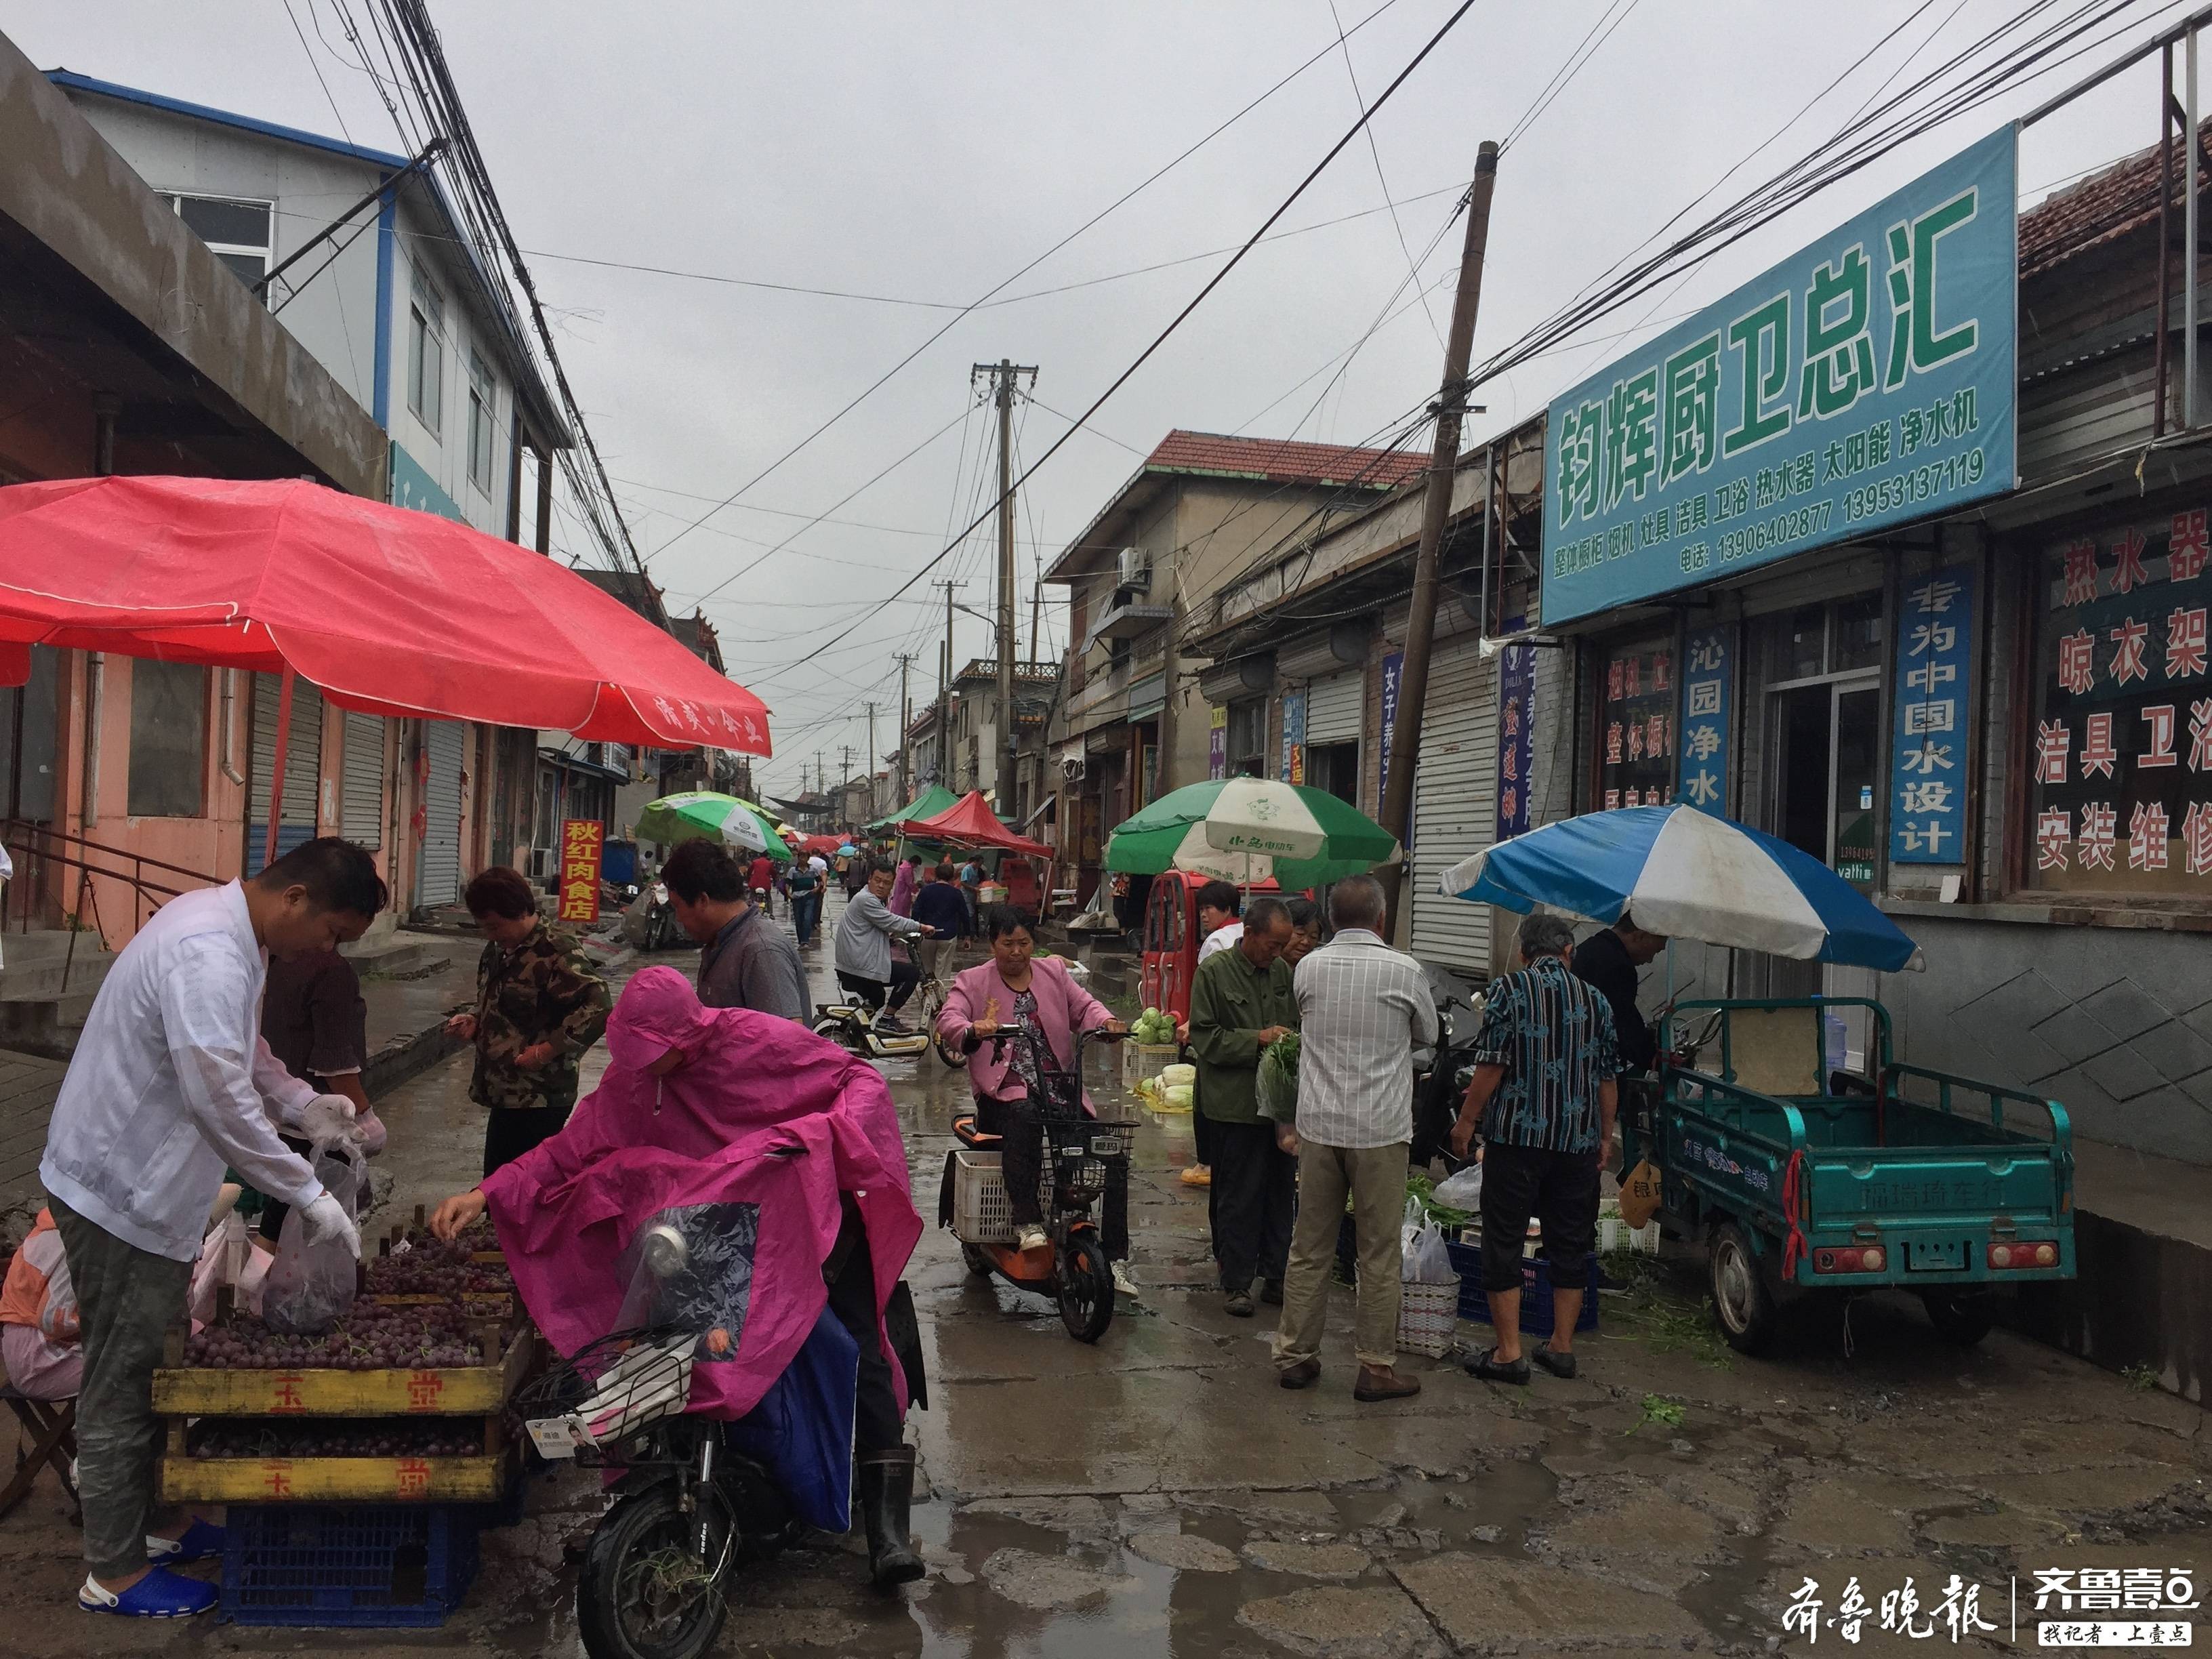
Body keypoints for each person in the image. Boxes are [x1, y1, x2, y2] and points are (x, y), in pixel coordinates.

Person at [428, 969, 927, 1588]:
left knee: (856, 1347)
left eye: (657, 1054)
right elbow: (572, 1148)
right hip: (712, 1234)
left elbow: (862, 1082)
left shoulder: (764, 1041)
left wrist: (817, 1134)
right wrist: (485, 1193)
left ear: (688, 1030)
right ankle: (658, 1490)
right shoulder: (637, 1078)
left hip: (812, 1224)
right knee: (652, 1352)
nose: (648, 1068)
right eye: (636, 1056)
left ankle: (887, 1531)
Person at [41, 837, 379, 1618]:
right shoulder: (207, 951)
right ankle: (113, 1571)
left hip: (152, 1190)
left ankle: (160, 1525)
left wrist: (302, 1103)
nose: (325, 951)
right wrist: (307, 1193)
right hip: (121, 1188)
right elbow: (216, 1096)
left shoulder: (235, 938)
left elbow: (242, 1055)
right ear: (294, 899)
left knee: (155, 1361)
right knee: (125, 1376)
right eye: (331, 933)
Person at [1272, 875, 1438, 1403]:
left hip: (1319, 1127)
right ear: (1382, 919)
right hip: (1380, 1130)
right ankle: (1375, 1367)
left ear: (1332, 919)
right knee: (1378, 1253)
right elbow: (1429, 1036)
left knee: (1309, 1248)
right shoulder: (1405, 970)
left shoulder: (1308, 967)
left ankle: (1296, 1355)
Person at [1450, 913, 1620, 1385]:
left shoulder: (1510, 990)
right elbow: (1608, 1080)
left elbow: (1491, 1066)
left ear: (1525, 953)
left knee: (1504, 1239)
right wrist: (1605, 1137)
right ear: (1569, 952)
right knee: (1570, 1241)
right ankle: (1561, 1349)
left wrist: (1466, 1122)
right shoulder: (1598, 1002)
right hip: (1577, 1143)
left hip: (1517, 1141)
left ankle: (1509, 1354)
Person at [939, 907, 1134, 1292]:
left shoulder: (1054, 973)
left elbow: (1086, 1007)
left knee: (1113, 1154)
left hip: (1058, 1092)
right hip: (1003, 1097)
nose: (1016, 951)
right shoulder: (973, 981)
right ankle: (1026, 1219)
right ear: (992, 943)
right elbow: (949, 1019)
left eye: (1024, 943)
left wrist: (1106, 1023)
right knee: (1024, 1113)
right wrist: (972, 1028)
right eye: (1007, 943)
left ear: (1034, 943)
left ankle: (1114, 1258)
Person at [445, 867, 611, 1179]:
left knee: (527, 1191)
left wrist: (548, 1050)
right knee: (497, 1188)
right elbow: (499, 1002)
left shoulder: (557, 952)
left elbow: (599, 1006)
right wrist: (475, 1021)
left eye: (495, 926)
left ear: (520, 911)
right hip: (505, 1092)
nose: (491, 936)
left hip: (540, 1096)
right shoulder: (499, 949)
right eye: (485, 928)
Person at [1188, 896, 1298, 1318]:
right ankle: (1236, 1281)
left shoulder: (1283, 973)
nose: (1278, 953)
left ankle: (1275, 1275)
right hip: (1233, 1104)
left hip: (1278, 1107)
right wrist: (1256, 1039)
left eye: (1283, 946)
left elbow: (1296, 1025)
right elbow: (1204, 1037)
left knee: (1279, 1191)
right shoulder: (1214, 973)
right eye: (1273, 945)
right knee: (1238, 1195)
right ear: (1249, 934)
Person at [251, 941, 389, 1244]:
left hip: (287, 1113)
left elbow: (259, 1049)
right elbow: (336, 1065)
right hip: (327, 1122)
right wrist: (365, 1117)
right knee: (316, 1225)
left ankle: (258, 1281)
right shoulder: (331, 971)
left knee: (280, 1219)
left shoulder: (275, 960)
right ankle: (264, 1285)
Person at [664, 839, 809, 1022]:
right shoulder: (721, 943)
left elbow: (787, 1043)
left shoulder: (762, 951)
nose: (678, 918)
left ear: (702, 900)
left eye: (677, 906)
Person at [835, 858, 935, 1032]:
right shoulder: (866, 900)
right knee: (911, 973)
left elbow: (874, 928)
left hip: (853, 964)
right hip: (858, 966)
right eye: (877, 880)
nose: (881, 886)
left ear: (892, 886)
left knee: (878, 998)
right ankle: (886, 1021)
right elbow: (892, 922)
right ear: (869, 879)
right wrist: (921, 927)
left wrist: (890, 940)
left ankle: (855, 1030)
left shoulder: (870, 899)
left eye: (887, 883)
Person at [1570, 913, 1666, 1076]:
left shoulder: (1587, 948)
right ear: (1640, 936)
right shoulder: (1619, 965)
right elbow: (1623, 1020)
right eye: (1655, 952)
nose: (1650, 959)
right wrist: (1651, 1057)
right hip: (1596, 1065)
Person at [1, 1208, 81, 1401]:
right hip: (36, 1359)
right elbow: (56, 1322)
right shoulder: (79, 1238)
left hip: (29, 1342)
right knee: (141, 1374)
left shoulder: (62, 1217)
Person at [912, 861, 968, 985]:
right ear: (952, 877)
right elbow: (965, 915)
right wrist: (968, 936)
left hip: (927, 935)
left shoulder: (926, 891)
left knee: (928, 970)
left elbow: (916, 912)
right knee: (943, 972)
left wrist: (915, 930)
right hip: (948, 936)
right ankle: (942, 1000)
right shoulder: (956, 893)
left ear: (936, 874)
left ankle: (928, 997)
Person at [1194, 880, 1244, 964]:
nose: (1203, 914)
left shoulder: (1217, 940)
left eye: (1208, 908)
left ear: (1227, 910)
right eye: (1201, 909)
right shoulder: (1247, 932)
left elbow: (1208, 975)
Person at [786, 850, 826, 947]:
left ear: (808, 859)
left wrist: (817, 889)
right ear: (798, 858)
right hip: (797, 898)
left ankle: (805, 941)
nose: (802, 859)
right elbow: (788, 883)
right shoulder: (793, 870)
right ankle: (801, 941)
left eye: (805, 857)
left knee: (807, 918)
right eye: (801, 857)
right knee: (799, 920)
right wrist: (789, 894)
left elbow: (820, 881)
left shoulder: (813, 869)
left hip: (809, 897)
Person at [1282, 896, 1326, 966]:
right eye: (1300, 934)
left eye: (1313, 937)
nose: (1306, 942)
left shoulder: (1317, 967)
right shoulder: (1265, 965)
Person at [888, 852, 924, 918]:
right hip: (904, 891)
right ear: (914, 863)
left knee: (897, 906)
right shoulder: (907, 869)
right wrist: (916, 889)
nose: (916, 867)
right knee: (901, 908)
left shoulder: (903, 867)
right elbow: (910, 882)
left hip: (899, 889)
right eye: (916, 865)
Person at [958, 855, 985, 937]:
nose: (980, 865)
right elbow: (963, 882)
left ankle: (971, 933)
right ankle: (969, 933)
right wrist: (973, 888)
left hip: (973, 895)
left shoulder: (976, 870)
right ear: (975, 862)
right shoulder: (967, 869)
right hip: (966, 894)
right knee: (970, 913)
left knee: (973, 913)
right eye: (980, 863)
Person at [747, 851, 777, 917]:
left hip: (754, 884)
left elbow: (749, 871)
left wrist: (748, 877)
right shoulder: (769, 863)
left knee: (751, 897)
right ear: (767, 856)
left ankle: (748, 911)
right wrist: (775, 880)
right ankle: (771, 913)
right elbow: (773, 873)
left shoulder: (755, 862)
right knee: (769, 898)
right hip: (765, 885)